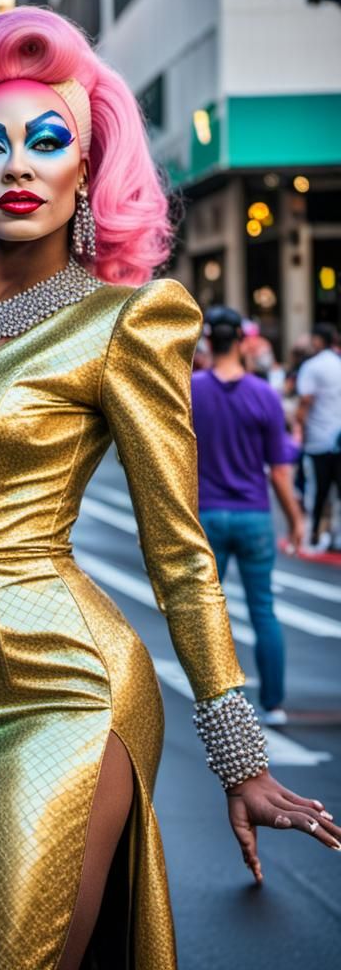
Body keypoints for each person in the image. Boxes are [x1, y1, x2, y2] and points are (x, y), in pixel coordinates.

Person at [0, 8, 340, 970]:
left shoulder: (126, 320)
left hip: (67, 694)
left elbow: (180, 553)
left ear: (87, 168)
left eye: (47, 141)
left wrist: (239, 756)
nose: (18, 167)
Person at [193, 306, 304, 725]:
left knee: (208, 612)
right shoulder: (264, 394)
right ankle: (273, 704)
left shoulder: (190, 390)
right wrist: (295, 519)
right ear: (241, 340)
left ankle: (219, 699)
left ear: (209, 341)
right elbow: (279, 471)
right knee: (263, 610)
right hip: (254, 516)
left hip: (206, 515)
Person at [295, 322, 341, 550]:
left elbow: (305, 401)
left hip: (318, 439)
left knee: (316, 491)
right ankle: (337, 536)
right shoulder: (338, 363)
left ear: (317, 340)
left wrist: (299, 428)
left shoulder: (312, 366)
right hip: (338, 438)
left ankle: (313, 535)